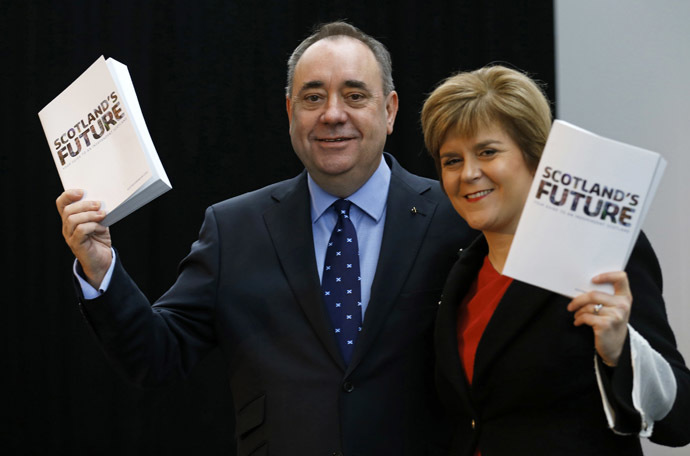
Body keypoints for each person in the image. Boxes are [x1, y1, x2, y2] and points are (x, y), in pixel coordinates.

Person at [56, 21, 477, 456]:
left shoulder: (454, 218)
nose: (333, 114)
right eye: (313, 98)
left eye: (354, 96)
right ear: (291, 111)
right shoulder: (235, 229)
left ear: (388, 110)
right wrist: (99, 267)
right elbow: (156, 355)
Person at [420, 65, 690, 455]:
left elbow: (679, 418)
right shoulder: (458, 270)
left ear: (536, 157)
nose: (469, 173)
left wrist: (620, 351)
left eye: (487, 152)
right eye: (452, 160)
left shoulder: (599, 251)